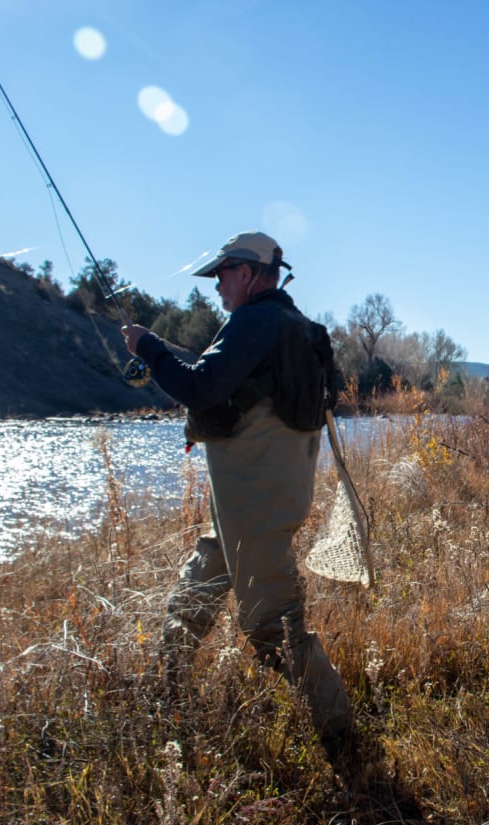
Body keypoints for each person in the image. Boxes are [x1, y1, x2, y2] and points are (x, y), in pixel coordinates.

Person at [120, 231, 352, 761]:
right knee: (200, 581)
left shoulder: (255, 321)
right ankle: (163, 693)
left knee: (272, 624)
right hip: (263, 497)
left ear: (247, 273)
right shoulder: (303, 331)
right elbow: (296, 395)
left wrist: (148, 347)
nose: (217, 287)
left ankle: (339, 735)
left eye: (223, 275)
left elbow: (201, 387)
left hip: (254, 503)